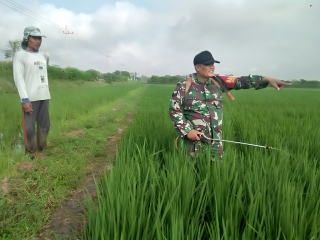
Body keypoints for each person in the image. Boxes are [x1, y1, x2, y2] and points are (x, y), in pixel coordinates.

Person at [169, 50, 291, 158]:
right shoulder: (185, 85)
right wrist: (188, 130)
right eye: (208, 64)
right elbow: (174, 110)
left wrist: (266, 79)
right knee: (191, 177)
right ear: (197, 67)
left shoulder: (218, 82)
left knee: (216, 178)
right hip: (193, 146)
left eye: (213, 64)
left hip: (216, 145)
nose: (212, 67)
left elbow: (241, 81)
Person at [13, 26, 51, 155]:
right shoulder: (20, 55)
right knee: (29, 128)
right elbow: (19, 78)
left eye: (39, 38)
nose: (38, 41)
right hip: (30, 98)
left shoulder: (44, 55)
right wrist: (24, 99)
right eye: (34, 37)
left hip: (44, 95)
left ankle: (43, 148)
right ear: (26, 38)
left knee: (45, 125)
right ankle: (32, 152)